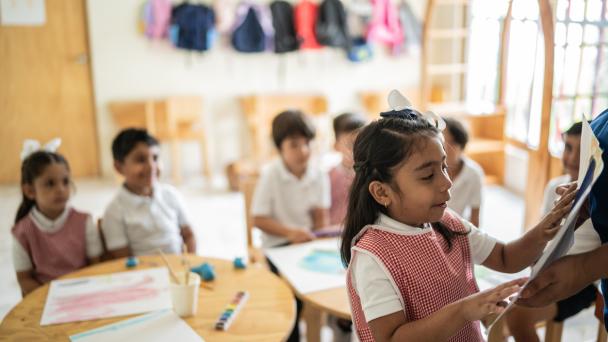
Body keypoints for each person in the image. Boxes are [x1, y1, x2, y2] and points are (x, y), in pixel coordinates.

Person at [340, 92, 576, 341]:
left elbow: (507, 258)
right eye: (427, 176)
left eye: (444, 166)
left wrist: (546, 227)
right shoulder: (373, 256)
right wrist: (463, 311)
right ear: (381, 191)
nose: (447, 182)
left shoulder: (447, 223)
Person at [506, 122, 599, 341]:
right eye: (568, 148)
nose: (573, 158)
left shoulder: (600, 198)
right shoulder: (554, 187)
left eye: (581, 151)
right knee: (497, 300)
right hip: (548, 268)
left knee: (516, 314)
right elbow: (544, 233)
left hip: (584, 280)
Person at [251, 109, 330, 342]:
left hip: (305, 244)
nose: (303, 151)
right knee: (289, 299)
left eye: (307, 144)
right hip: (277, 247)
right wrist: (289, 232)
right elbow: (258, 219)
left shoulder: (318, 174)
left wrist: (316, 239)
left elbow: (320, 219)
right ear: (280, 148)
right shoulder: (270, 175)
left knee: (326, 283)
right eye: (294, 145)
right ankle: (292, 335)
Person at [12, 140, 102, 296]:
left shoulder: (84, 221)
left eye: (65, 182)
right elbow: (24, 279)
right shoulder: (22, 232)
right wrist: (52, 298)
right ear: (29, 191)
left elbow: (96, 264)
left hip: (85, 294)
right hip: (45, 300)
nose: (60, 189)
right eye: (50, 183)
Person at [101, 128, 196, 258]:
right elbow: (123, 261)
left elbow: (189, 235)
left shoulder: (171, 195)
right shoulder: (114, 211)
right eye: (140, 160)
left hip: (180, 270)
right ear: (119, 167)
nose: (151, 166)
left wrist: (189, 262)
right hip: (143, 274)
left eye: (155, 158)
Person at [443, 117, 484, 226]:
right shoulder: (428, 170)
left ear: (461, 145)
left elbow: (475, 217)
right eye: (442, 141)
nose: (446, 148)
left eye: (452, 142)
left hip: (456, 226)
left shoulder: (474, 173)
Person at [329, 112, 366, 226]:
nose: (356, 151)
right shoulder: (328, 177)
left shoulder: (370, 175)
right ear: (336, 145)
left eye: (360, 144)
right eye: (350, 145)